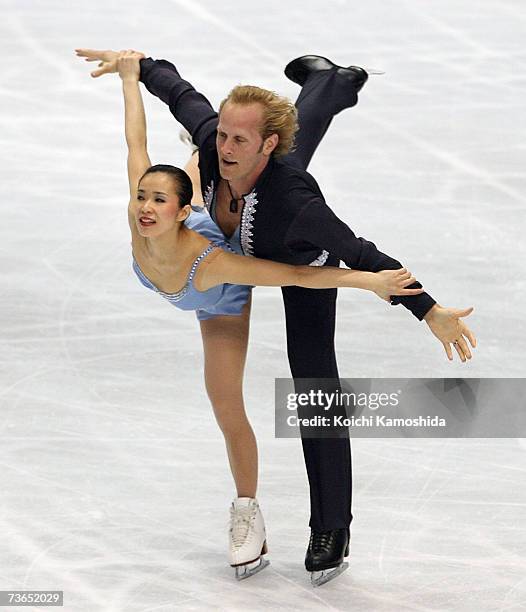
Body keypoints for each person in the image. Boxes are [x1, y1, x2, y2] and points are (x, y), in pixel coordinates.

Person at [75, 48, 476, 585]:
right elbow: (181, 97)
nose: (222, 146)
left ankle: (331, 525)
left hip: (299, 259)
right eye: (220, 136)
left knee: (313, 386)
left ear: (262, 144)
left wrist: (428, 311)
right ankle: (328, 83)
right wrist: (141, 64)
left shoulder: (298, 203)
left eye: (237, 139)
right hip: (232, 250)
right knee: (270, 147)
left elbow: (363, 255)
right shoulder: (223, 145)